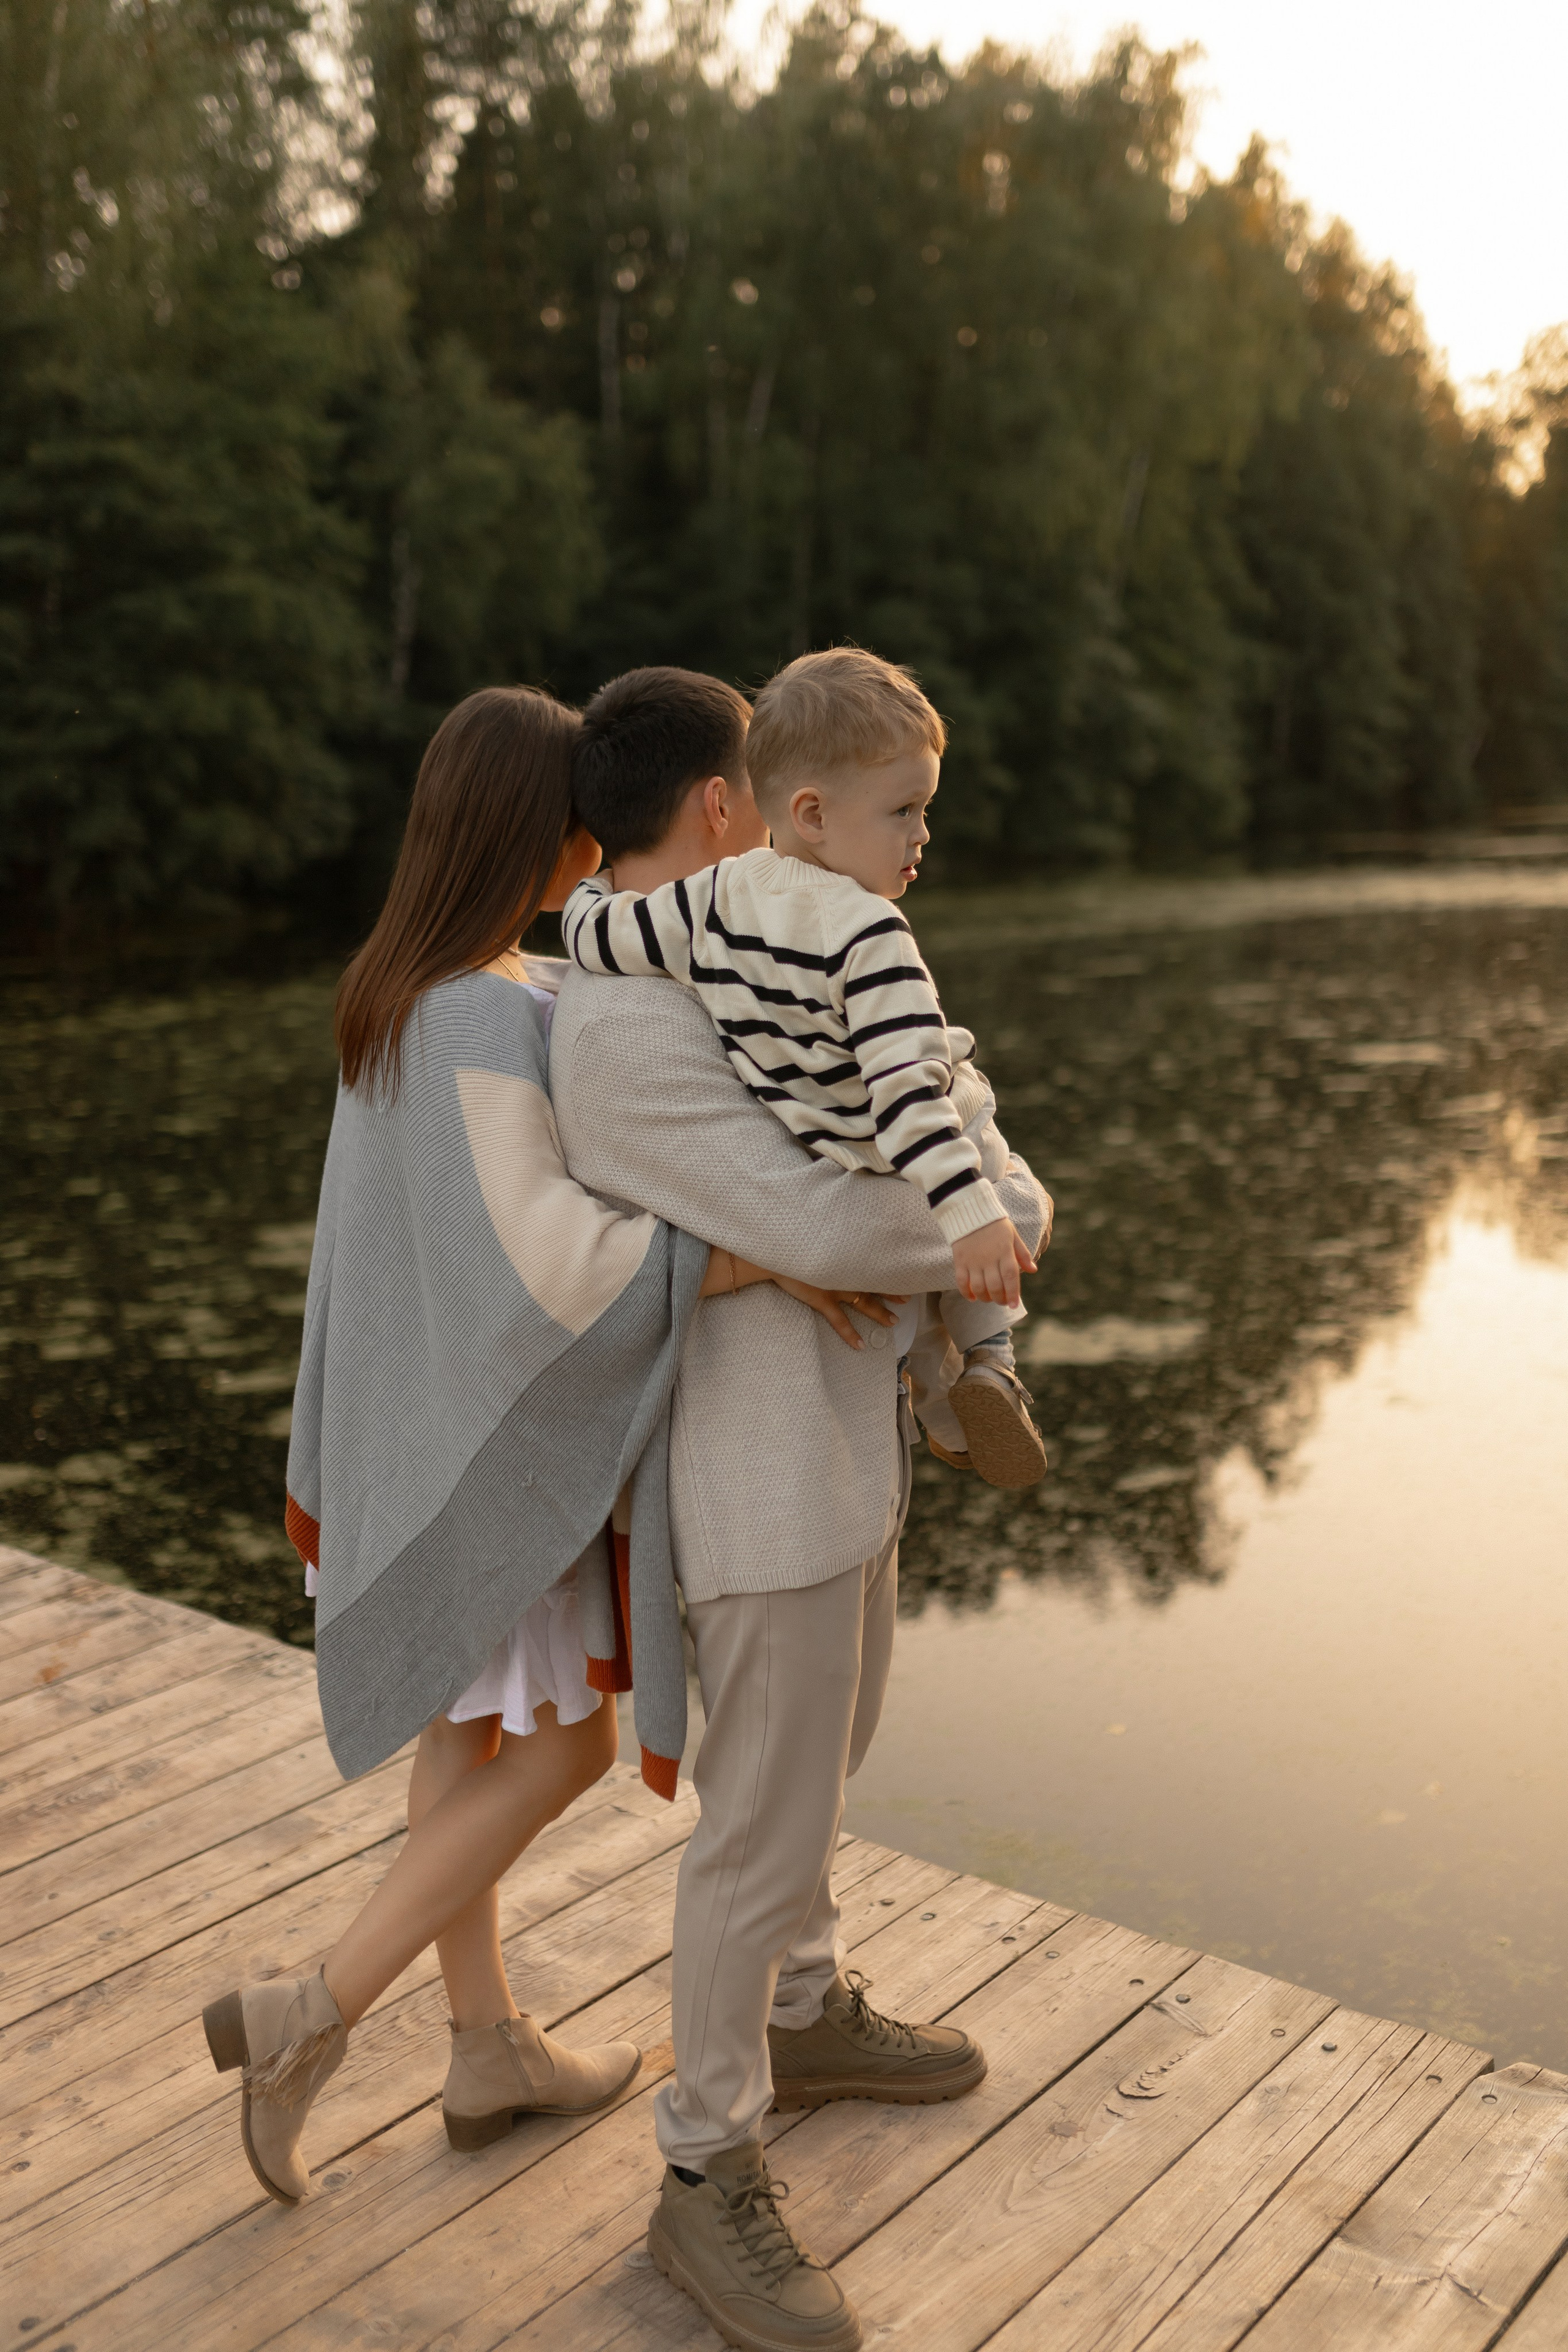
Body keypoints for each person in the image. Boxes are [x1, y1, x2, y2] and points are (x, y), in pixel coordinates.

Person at [200, 686, 881, 2209]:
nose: (589, 846)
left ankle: (485, 2043)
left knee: (461, 1743)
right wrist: (772, 1252)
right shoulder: (479, 1009)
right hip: (481, 1440)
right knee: (564, 1743)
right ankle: (312, 2009)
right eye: (572, 820)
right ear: (539, 832)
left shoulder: (391, 989)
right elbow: (553, 1267)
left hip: (405, 1441)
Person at [553, 665, 1052, 2352]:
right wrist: (1008, 1212)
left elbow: (905, 1110)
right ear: (730, 804)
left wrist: (967, 1196)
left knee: (824, 1775)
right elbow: (843, 1231)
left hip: (848, 1448)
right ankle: (705, 2170)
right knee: (755, 1830)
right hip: (749, 1486)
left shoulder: (766, 929)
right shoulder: (623, 1019)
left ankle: (803, 2008)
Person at [561, 645, 1046, 1490]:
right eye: (905, 810)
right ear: (814, 814)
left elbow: (602, 938)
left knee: (954, 1198)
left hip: (825, 1137)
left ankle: (941, 1403)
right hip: (907, 1131)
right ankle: (989, 1361)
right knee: (982, 1163)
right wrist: (972, 1211)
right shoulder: (874, 937)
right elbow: (909, 1102)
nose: (923, 833)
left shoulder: (710, 899)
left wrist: (583, 892)